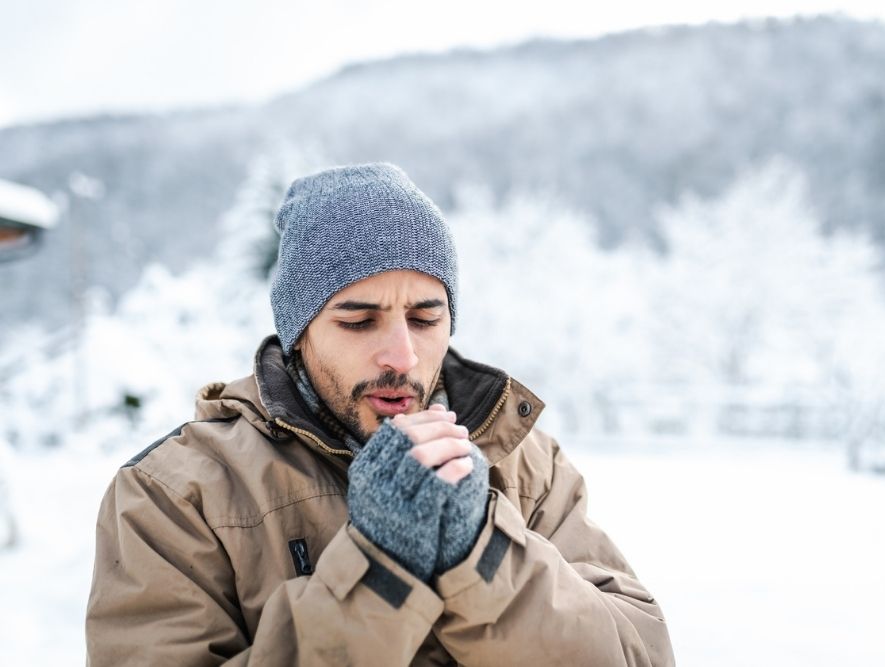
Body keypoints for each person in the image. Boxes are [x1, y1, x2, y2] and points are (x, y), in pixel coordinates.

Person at [86, 163, 674, 666]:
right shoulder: (172, 495)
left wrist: (481, 552)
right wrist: (379, 566)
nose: (403, 356)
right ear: (300, 333)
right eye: (359, 321)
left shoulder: (524, 462)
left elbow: (639, 653)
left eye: (425, 319)